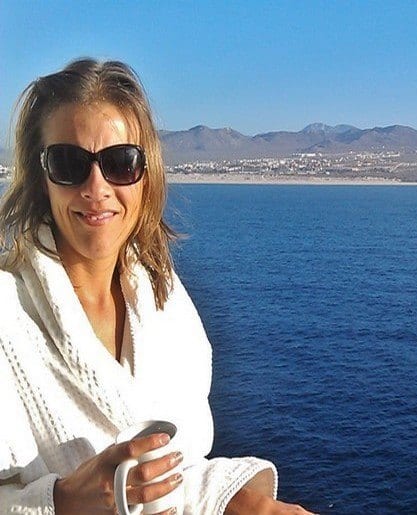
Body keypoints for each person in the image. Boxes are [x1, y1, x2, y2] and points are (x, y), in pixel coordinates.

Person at [0, 58, 313, 514]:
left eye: (120, 162)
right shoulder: (8, 319)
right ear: (41, 175)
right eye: (68, 163)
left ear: (147, 175)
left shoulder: (163, 303)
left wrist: (244, 504)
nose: (96, 186)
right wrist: (61, 502)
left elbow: (177, 474)